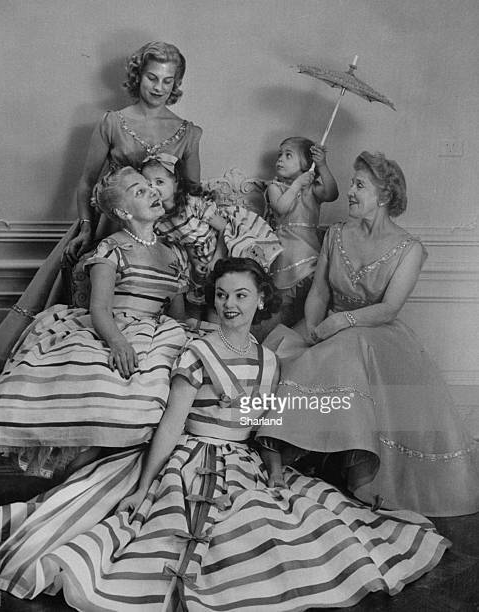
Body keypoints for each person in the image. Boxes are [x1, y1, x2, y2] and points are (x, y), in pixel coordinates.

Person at [0, 258, 449, 611]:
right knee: (154, 530)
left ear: (261, 299)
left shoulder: (268, 358)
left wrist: (277, 469)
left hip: (244, 461)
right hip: (188, 456)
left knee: (288, 527)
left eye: (241, 295)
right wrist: (143, 486)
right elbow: (172, 425)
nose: (230, 304)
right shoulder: (197, 351)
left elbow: (264, 426)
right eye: (222, 295)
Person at [259, 151, 479, 517]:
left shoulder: (410, 249)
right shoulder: (336, 234)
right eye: (351, 183)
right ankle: (282, 451)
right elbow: (319, 293)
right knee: (282, 354)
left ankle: (356, 468)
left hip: (376, 333)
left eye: (359, 185)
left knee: (347, 347)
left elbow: (389, 308)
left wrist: (340, 324)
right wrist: (314, 327)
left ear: (385, 196)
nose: (349, 192)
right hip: (327, 324)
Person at [0, 167, 190, 481]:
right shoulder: (111, 248)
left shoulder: (172, 255)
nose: (153, 192)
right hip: (112, 329)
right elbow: (100, 308)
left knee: (150, 404)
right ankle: (73, 484)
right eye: (140, 191)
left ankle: (105, 483)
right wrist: (118, 343)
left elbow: (178, 314)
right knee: (103, 401)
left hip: (158, 335)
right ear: (122, 211)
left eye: (151, 187)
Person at [0, 41, 202, 361]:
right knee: (88, 309)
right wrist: (86, 228)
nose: (159, 87)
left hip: (160, 229)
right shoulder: (112, 122)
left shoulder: (188, 132)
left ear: (176, 83)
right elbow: (86, 181)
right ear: (138, 76)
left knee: (156, 309)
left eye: (168, 81)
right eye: (152, 78)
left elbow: (192, 191)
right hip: (106, 224)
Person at [141, 153, 282, 306]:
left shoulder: (192, 204)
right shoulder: (160, 220)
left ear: (176, 183)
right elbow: (185, 243)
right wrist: (195, 263)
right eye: (148, 185)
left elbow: (224, 229)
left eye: (159, 182)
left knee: (224, 292)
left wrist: (217, 259)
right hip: (200, 261)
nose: (153, 189)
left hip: (222, 250)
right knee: (198, 295)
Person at [263, 136, 338, 330]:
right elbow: (281, 207)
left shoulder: (312, 189)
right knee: (284, 303)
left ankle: (308, 330)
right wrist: (296, 185)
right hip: (287, 251)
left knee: (313, 295)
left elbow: (332, 193)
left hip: (310, 251)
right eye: (280, 154)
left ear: (306, 164)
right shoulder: (275, 187)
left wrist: (322, 166)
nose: (280, 159)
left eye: (288, 155)